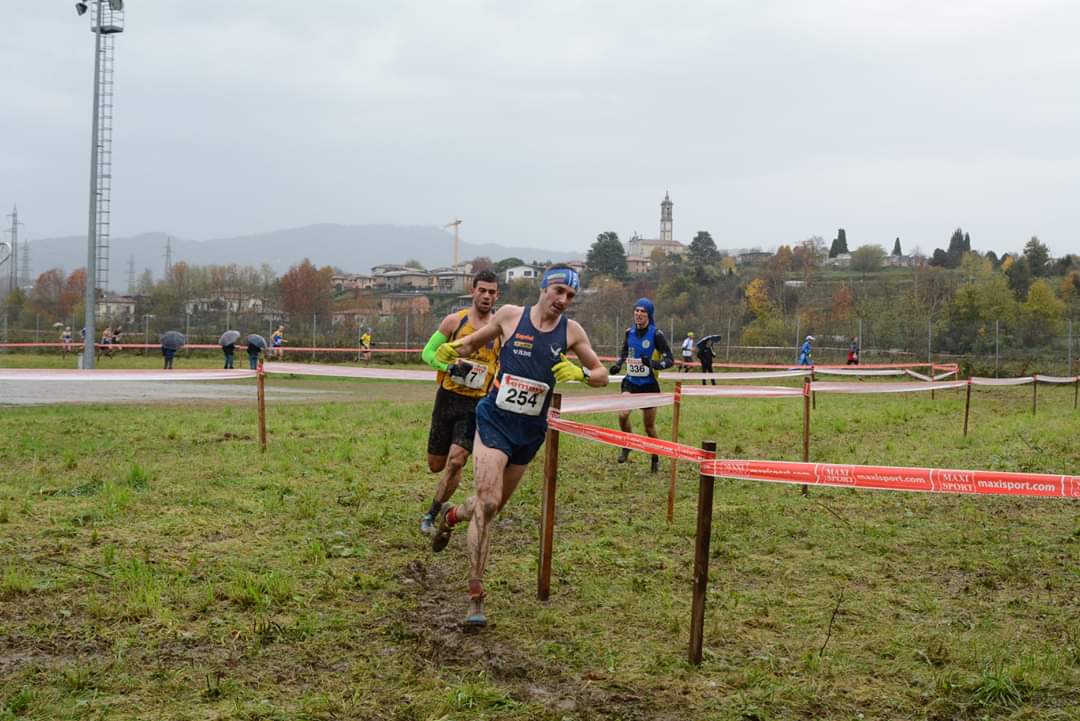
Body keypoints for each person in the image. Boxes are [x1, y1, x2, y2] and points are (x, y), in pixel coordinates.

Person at [430, 265, 608, 627]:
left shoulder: (572, 332)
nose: (563, 301)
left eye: (571, 296)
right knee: (489, 500)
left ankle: (451, 516)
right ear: (544, 288)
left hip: (530, 432)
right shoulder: (511, 316)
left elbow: (602, 374)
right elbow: (472, 342)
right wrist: (451, 350)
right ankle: (475, 597)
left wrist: (581, 374)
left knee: (487, 508)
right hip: (495, 420)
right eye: (559, 291)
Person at [418, 270, 500, 536]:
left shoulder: (500, 329)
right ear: (473, 291)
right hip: (447, 399)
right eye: (482, 290)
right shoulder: (454, 321)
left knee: (456, 461)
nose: (487, 296)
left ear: (497, 295)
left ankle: (432, 513)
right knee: (436, 465)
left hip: (476, 405)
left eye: (492, 292)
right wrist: (448, 365)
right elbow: (427, 353)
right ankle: (440, 502)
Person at [608, 298, 674, 473]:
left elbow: (670, 360)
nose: (638, 314)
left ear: (649, 314)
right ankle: (627, 444)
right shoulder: (629, 332)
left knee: (649, 427)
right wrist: (618, 364)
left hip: (649, 386)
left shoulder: (656, 334)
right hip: (630, 383)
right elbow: (624, 352)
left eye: (642, 311)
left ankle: (655, 457)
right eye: (636, 310)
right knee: (622, 415)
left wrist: (653, 364)